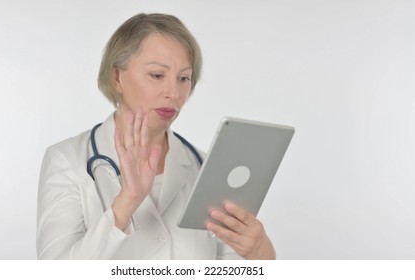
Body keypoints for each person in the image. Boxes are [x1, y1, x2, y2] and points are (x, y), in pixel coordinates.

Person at [37, 13, 276, 260]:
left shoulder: (205, 168)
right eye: (157, 75)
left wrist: (262, 254)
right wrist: (126, 203)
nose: (173, 92)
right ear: (117, 77)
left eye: (183, 78)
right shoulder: (68, 160)